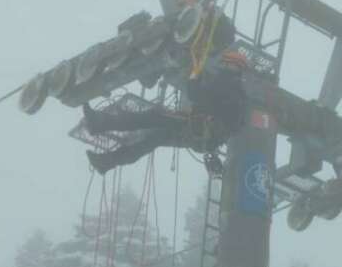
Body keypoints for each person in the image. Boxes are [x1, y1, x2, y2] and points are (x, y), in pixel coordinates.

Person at [83, 49, 249, 174]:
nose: (223, 66)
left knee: (152, 117)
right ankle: (106, 161)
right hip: (201, 137)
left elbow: (196, 95)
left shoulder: (226, 82)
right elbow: (232, 122)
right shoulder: (238, 91)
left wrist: (193, 78)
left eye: (226, 63)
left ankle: (100, 124)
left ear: (234, 66)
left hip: (196, 127)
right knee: (154, 138)